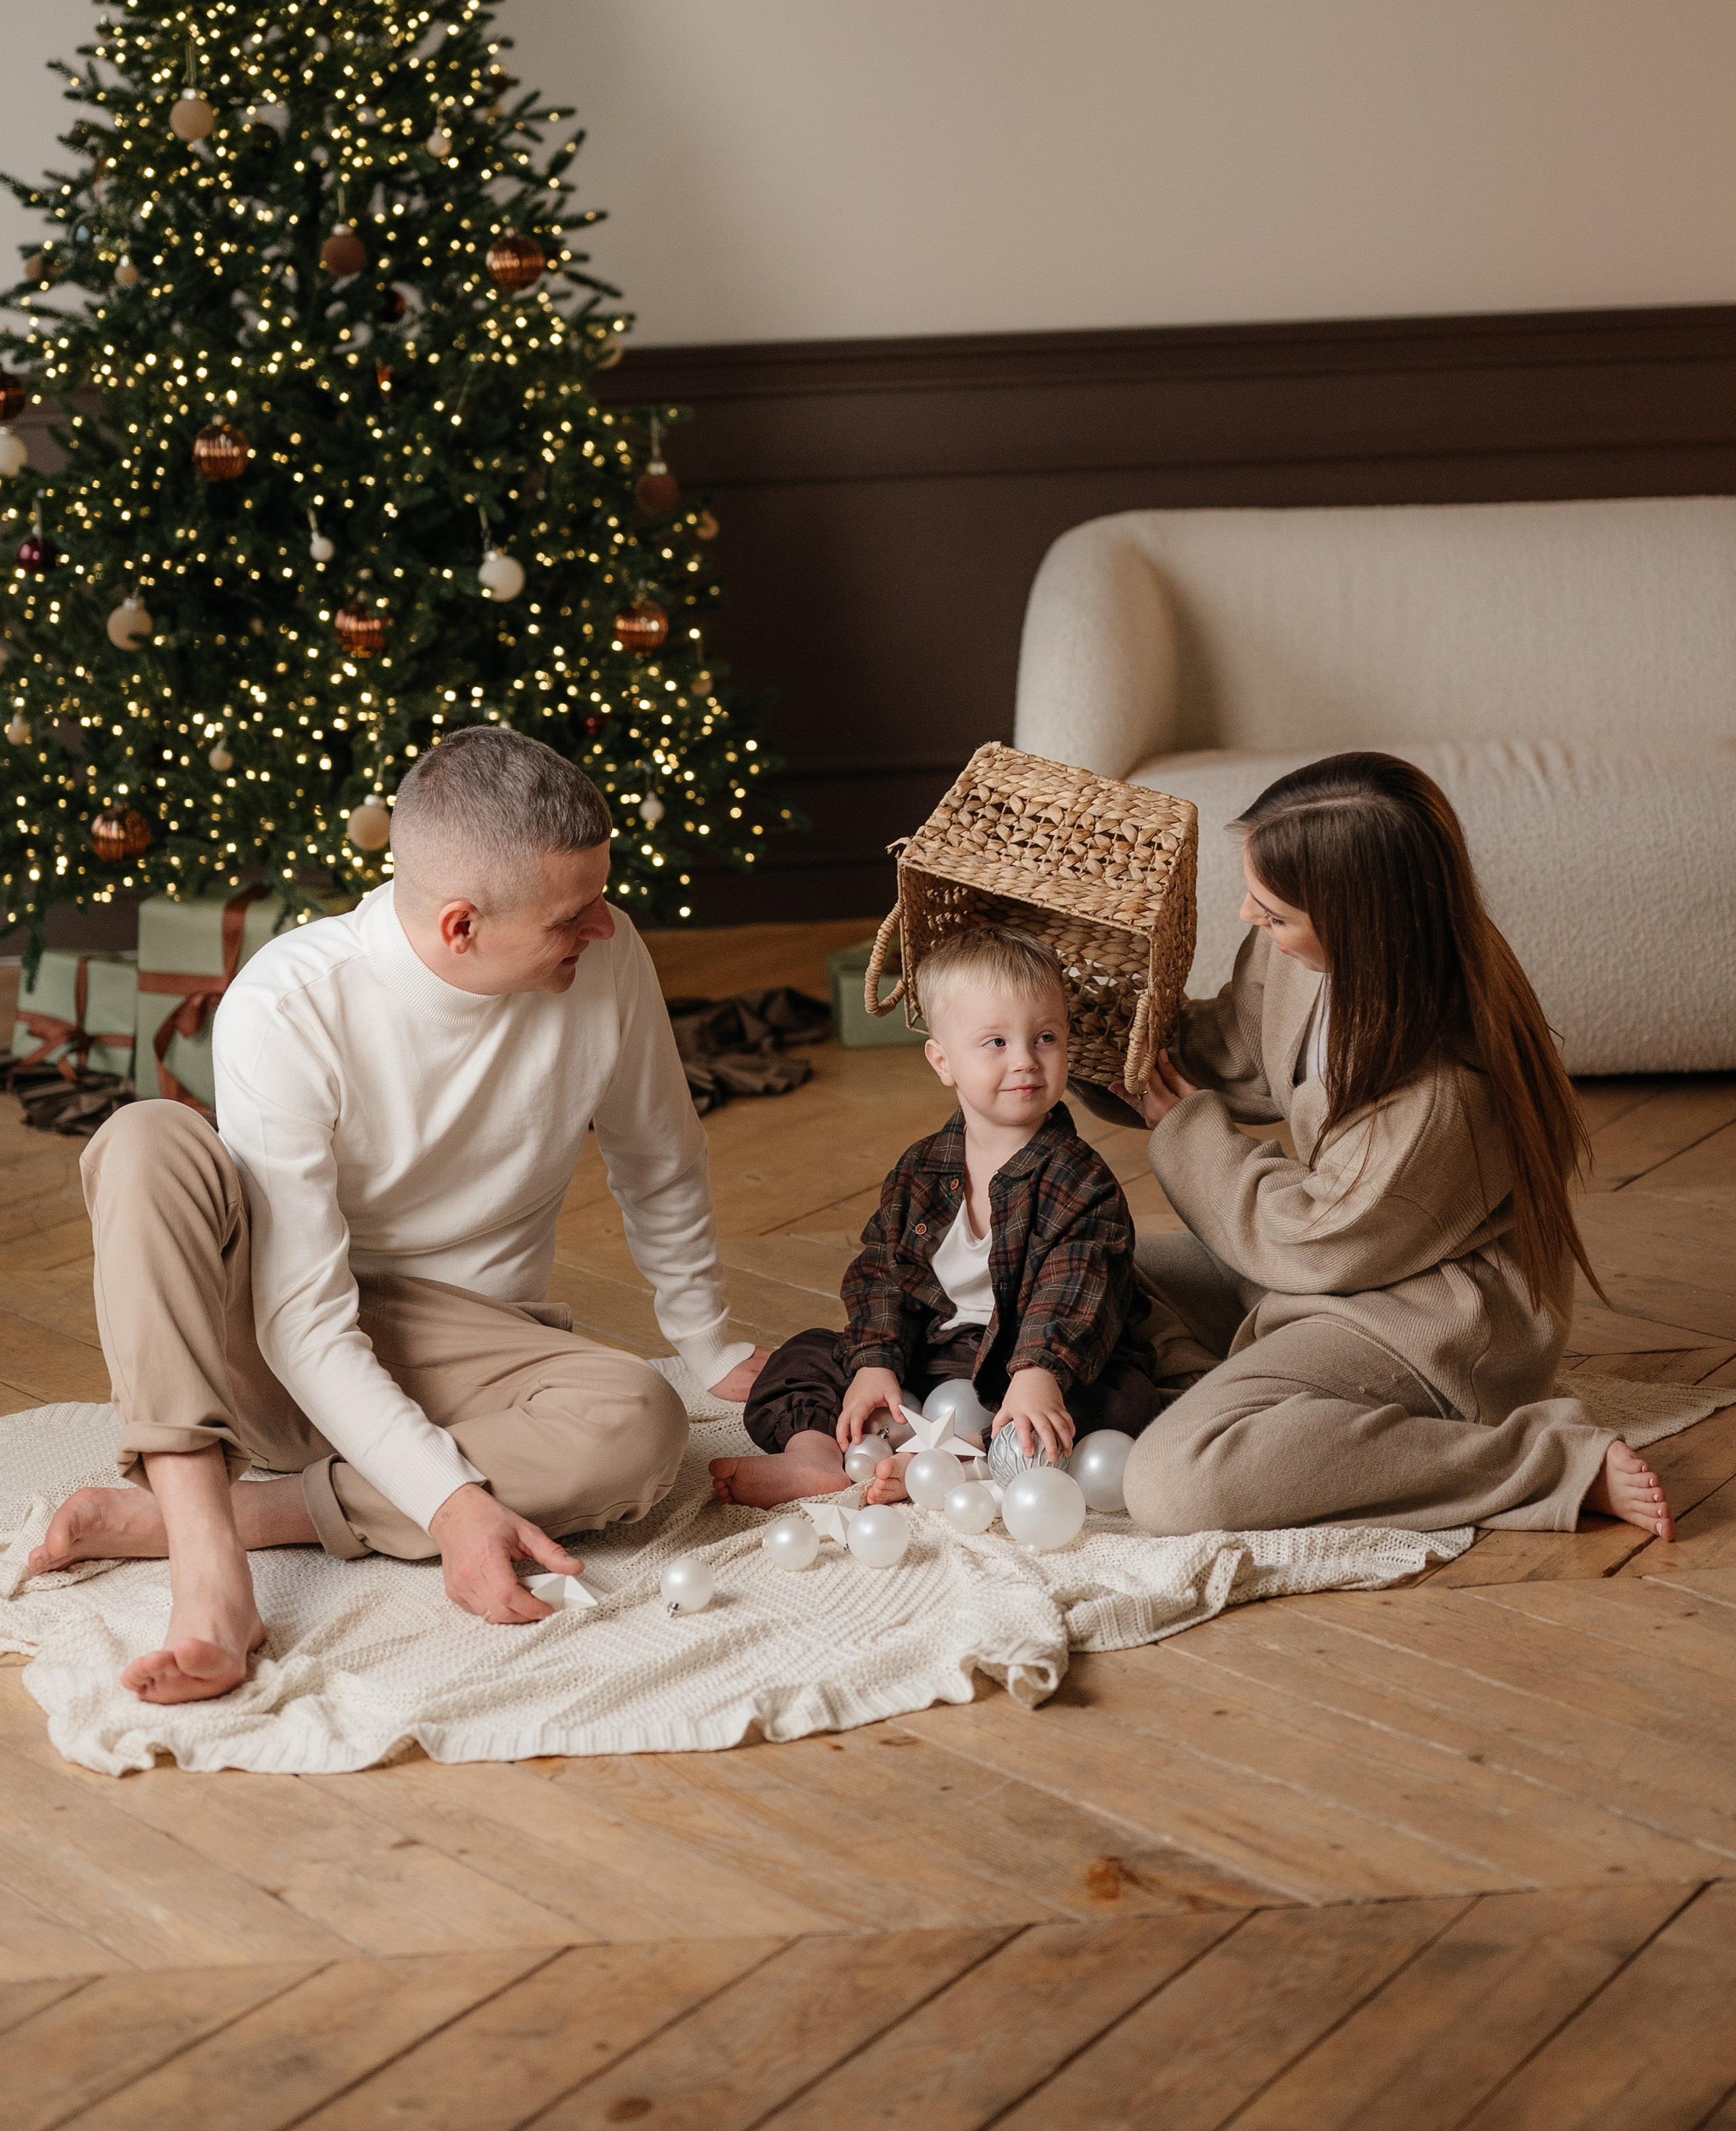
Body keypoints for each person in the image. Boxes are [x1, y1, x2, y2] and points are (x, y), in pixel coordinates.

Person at [28, 727, 770, 1705]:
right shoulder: (293, 1002)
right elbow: (300, 1316)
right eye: (572, 915)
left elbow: (658, 1151)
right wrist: (454, 1506)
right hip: (274, 1334)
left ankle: (208, 1515)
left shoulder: (609, 956)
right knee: (145, 1139)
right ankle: (211, 1572)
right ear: (461, 925)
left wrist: (705, 1338)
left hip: (471, 1342)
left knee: (642, 1424)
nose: (603, 926)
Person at [1120, 751, 1675, 1543]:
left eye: (1273, 912)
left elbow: (1314, 1238)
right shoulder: (1305, 956)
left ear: (1357, 924)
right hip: (1318, 1274)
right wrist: (1092, 1034)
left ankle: (1543, 1461)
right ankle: (1279, 1410)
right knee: (1093, 1263)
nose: (1248, 915)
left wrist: (1183, 1130)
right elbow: (1236, 1048)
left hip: (1424, 1315)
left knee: (1176, 1480)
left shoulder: (1444, 1087)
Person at [711, 921, 1174, 1508]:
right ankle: (814, 1454)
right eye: (997, 1043)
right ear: (942, 1060)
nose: (1027, 1061)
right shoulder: (921, 1169)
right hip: (936, 1352)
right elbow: (884, 1269)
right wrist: (876, 1363)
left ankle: (960, 1461)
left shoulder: (1081, 1180)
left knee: (1125, 1401)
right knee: (802, 1357)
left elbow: (1077, 1283)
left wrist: (1040, 1373)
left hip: (1034, 1360)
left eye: (1047, 1038)